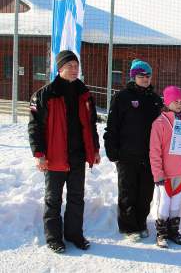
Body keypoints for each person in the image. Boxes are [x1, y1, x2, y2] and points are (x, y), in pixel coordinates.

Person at [28, 50, 100, 253]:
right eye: (70, 65)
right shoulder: (44, 95)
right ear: (59, 68)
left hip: (77, 156)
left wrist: (94, 149)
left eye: (77, 66)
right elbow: (35, 128)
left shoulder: (84, 93)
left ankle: (74, 234)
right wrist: (39, 154)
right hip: (54, 157)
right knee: (53, 199)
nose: (74, 69)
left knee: (77, 197)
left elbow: (91, 124)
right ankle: (54, 238)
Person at [103, 59, 163, 241]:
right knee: (128, 192)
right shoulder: (122, 97)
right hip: (127, 154)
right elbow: (111, 126)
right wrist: (112, 150)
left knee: (145, 192)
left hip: (149, 155)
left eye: (148, 76)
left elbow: (162, 128)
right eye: (141, 76)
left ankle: (141, 222)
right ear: (133, 76)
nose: (145, 79)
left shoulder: (155, 99)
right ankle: (129, 227)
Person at [150, 86, 181, 248]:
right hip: (166, 173)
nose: (180, 104)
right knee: (165, 203)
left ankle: (173, 231)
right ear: (167, 102)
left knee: (176, 203)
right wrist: (157, 173)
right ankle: (162, 233)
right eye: (176, 101)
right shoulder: (159, 123)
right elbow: (154, 151)